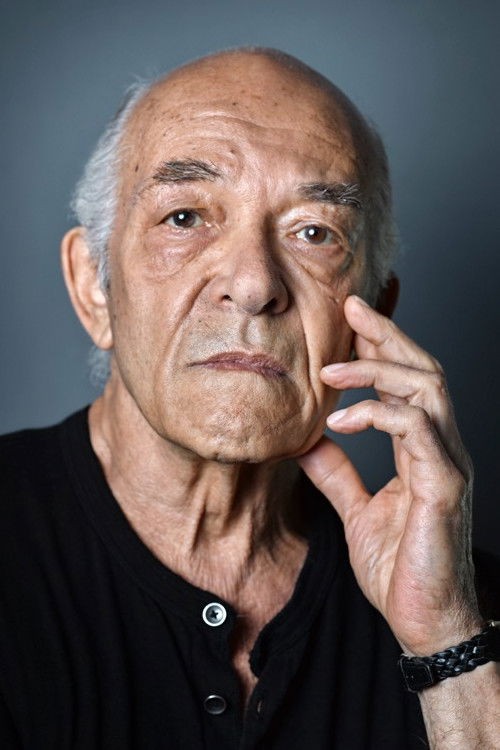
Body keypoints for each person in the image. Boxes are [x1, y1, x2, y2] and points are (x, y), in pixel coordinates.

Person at [0, 47, 498, 749]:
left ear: (371, 319)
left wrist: (446, 638)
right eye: (185, 218)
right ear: (94, 287)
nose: (255, 283)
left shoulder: (457, 604)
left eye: (314, 233)